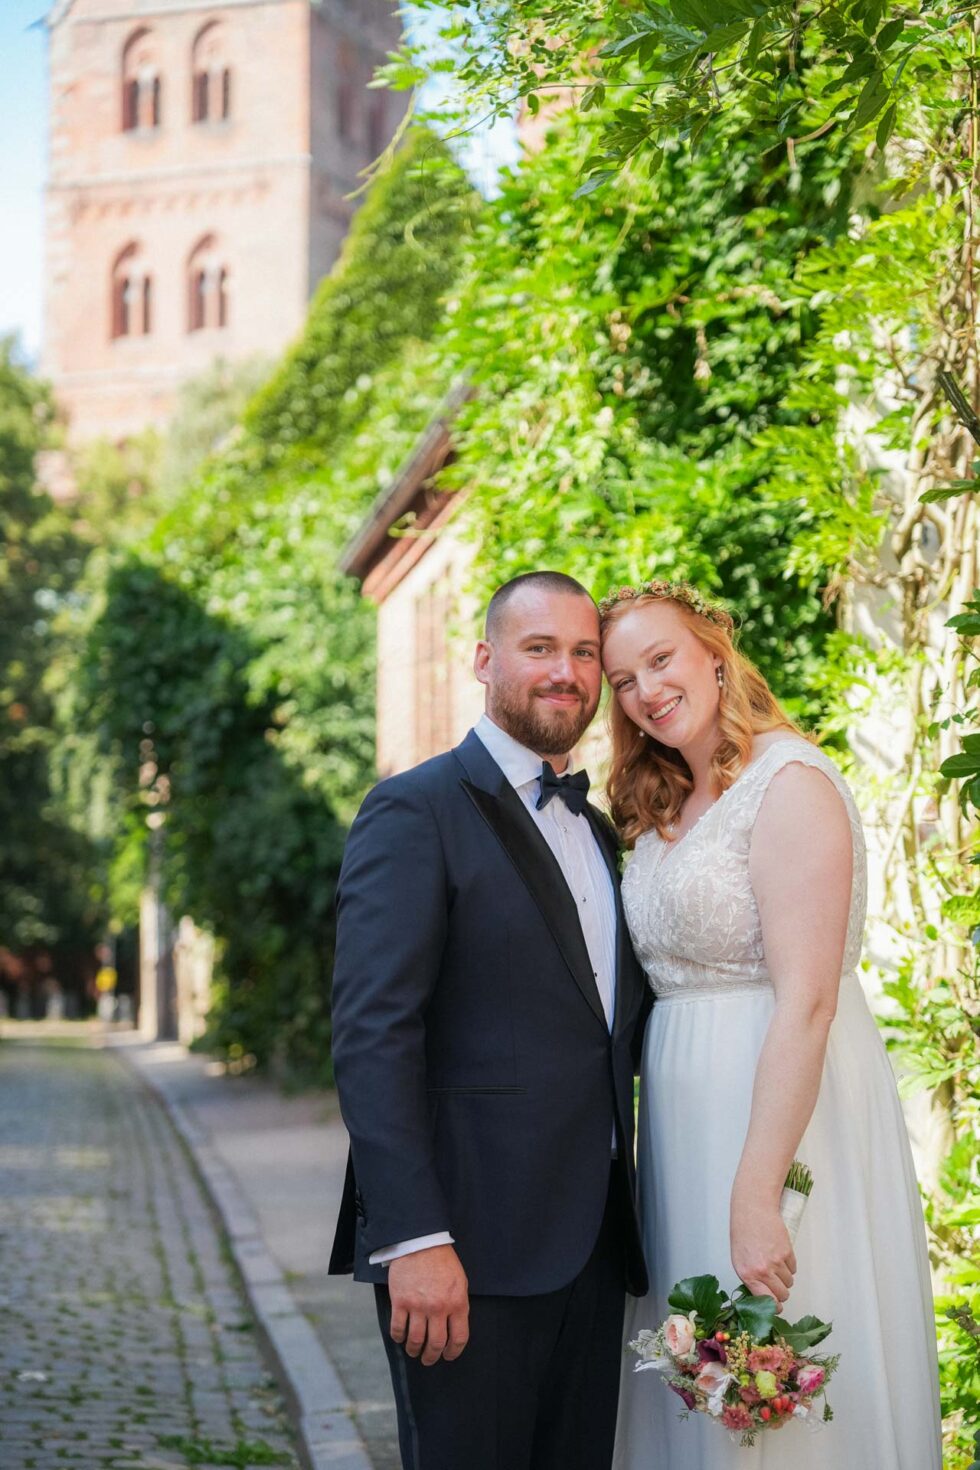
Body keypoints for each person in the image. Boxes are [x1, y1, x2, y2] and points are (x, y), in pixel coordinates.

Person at [600, 578, 943, 1470]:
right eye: (624, 680)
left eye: (661, 659)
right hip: (683, 1129)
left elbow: (810, 1001)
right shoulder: (666, 797)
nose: (646, 691)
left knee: (776, 1367)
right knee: (699, 1381)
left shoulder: (789, 783)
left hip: (780, 1122)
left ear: (715, 654)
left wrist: (757, 1193)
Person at [329, 571, 650, 1470]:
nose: (566, 672)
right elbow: (373, 1034)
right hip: (465, 1248)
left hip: (596, 1247)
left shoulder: (600, 829)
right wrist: (413, 1238)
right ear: (483, 660)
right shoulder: (414, 809)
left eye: (583, 653)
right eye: (539, 648)